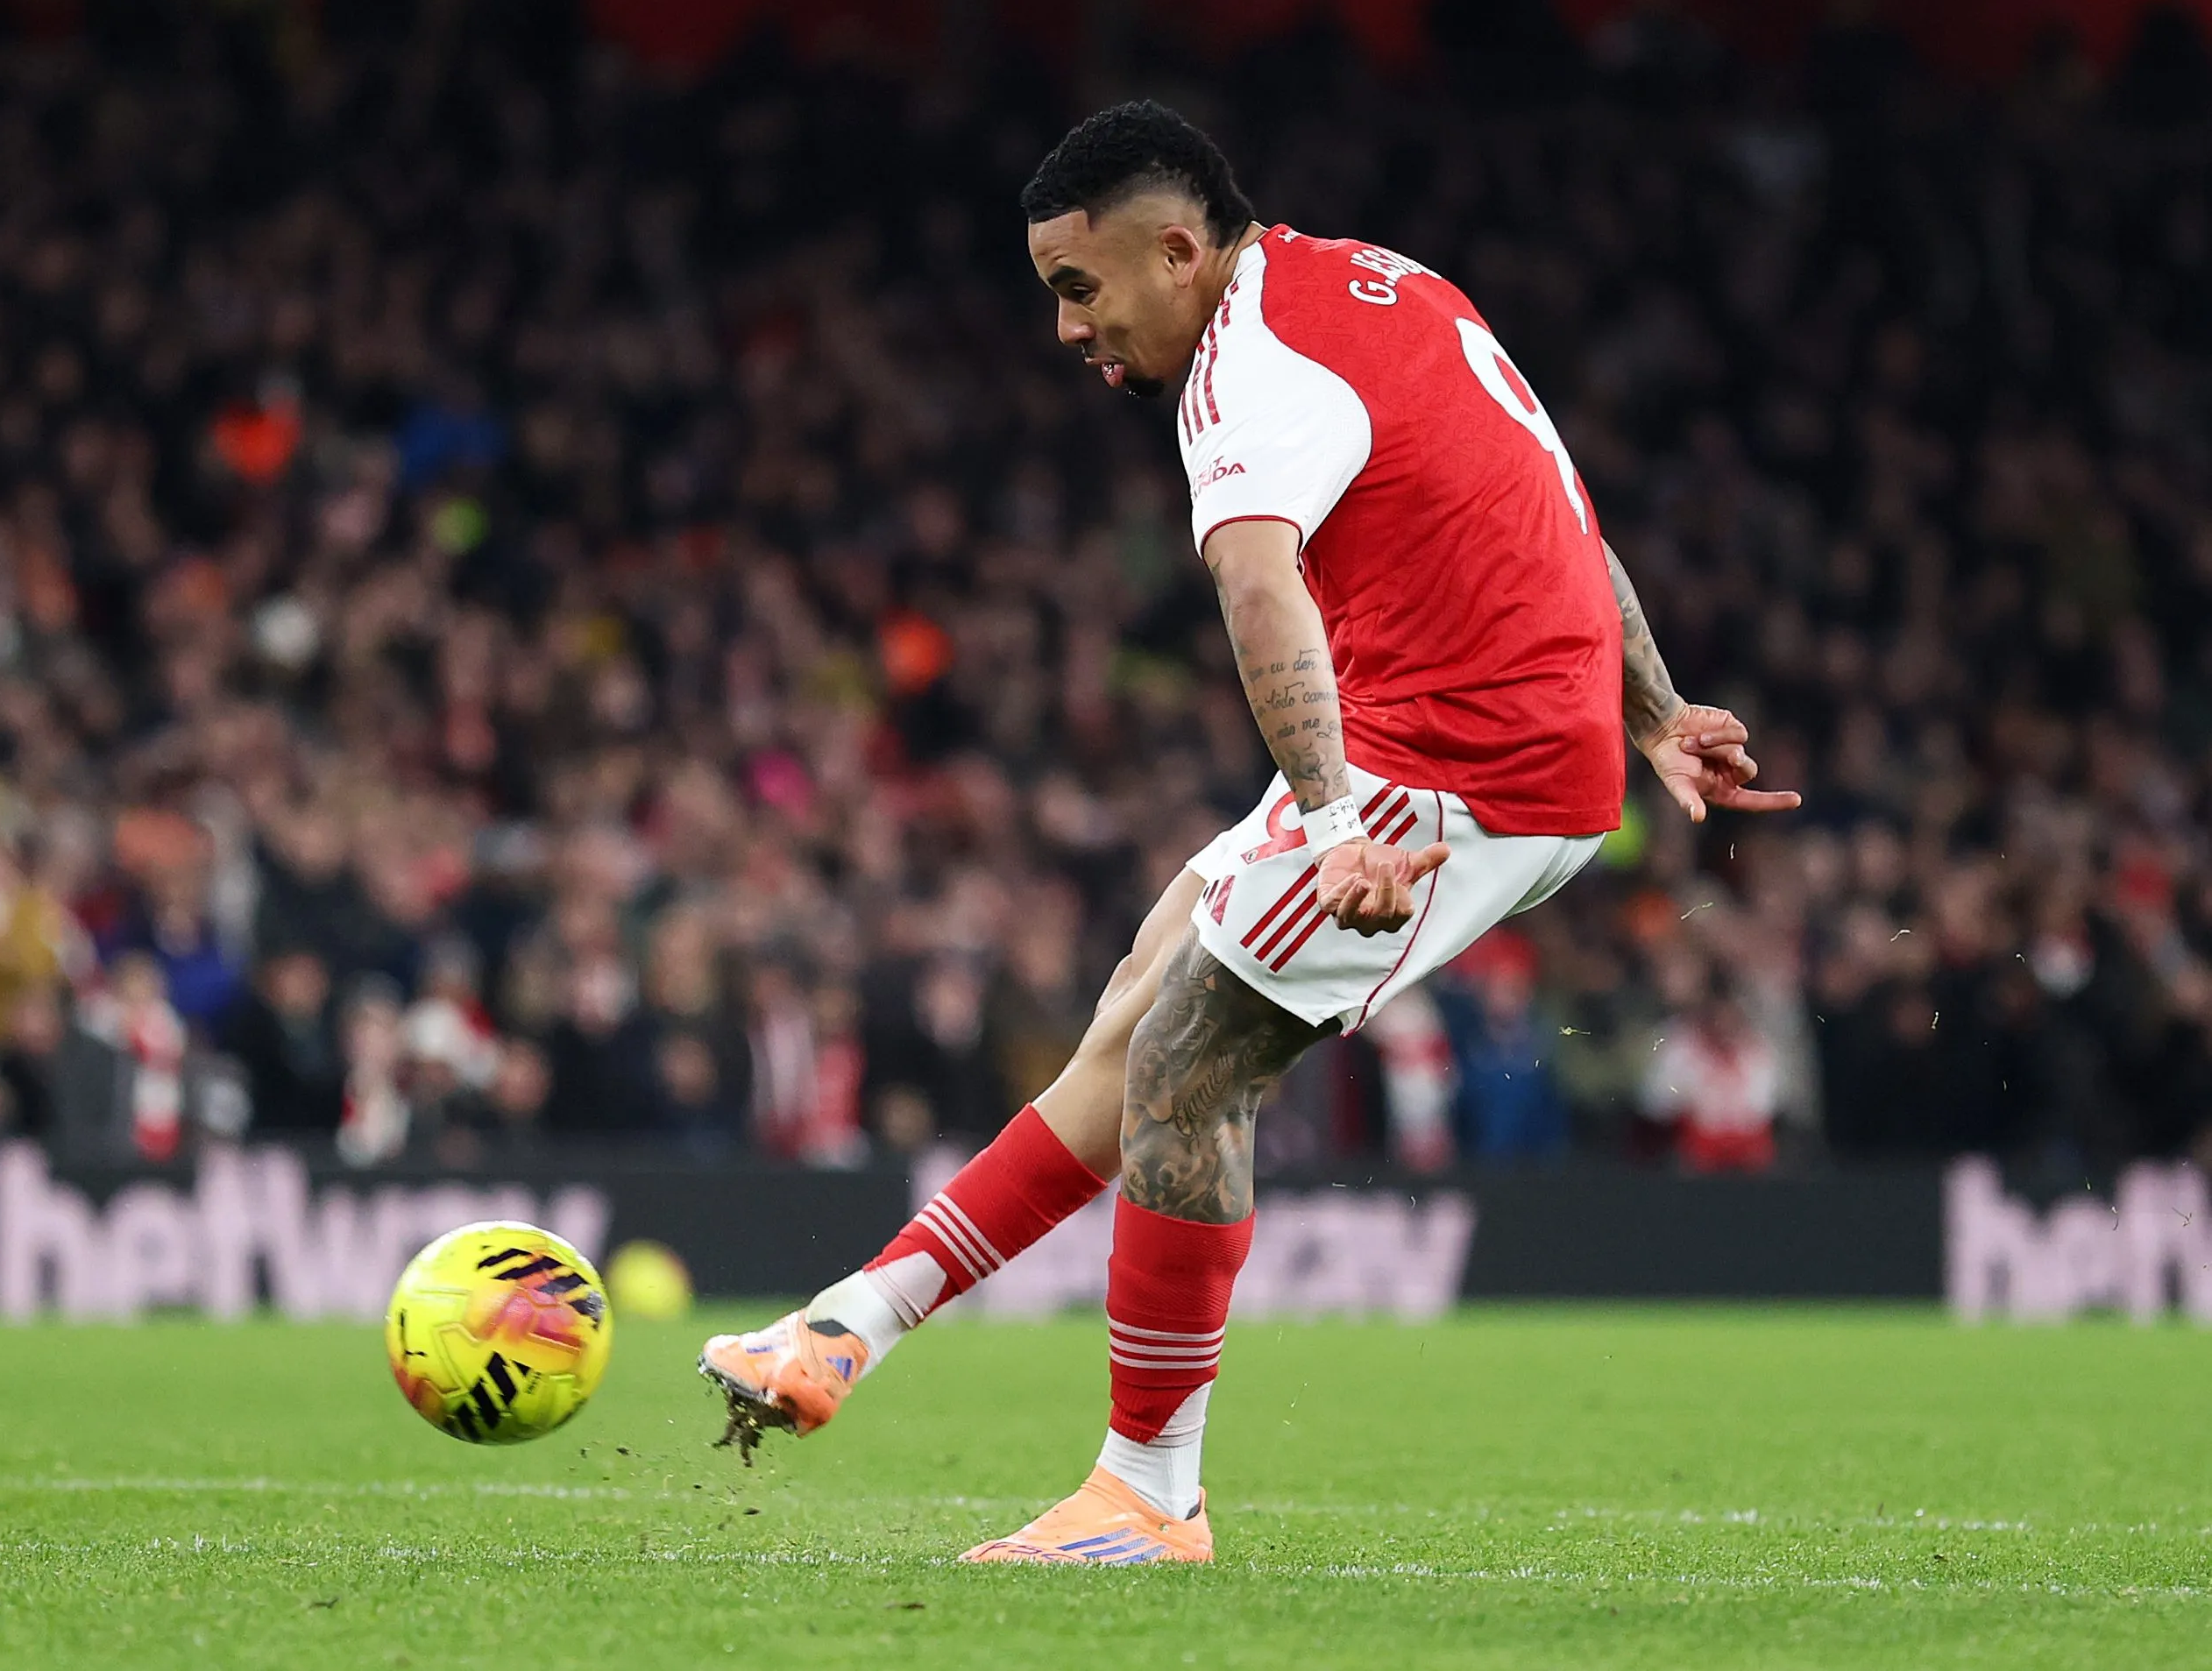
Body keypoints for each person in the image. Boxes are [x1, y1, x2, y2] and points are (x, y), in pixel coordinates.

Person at [698, 101, 1794, 1564]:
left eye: (1077, 287)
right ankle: (845, 1327)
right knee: (1141, 1002)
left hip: (1462, 765)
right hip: (1462, 726)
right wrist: (1651, 709)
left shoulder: (1247, 370)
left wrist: (1340, 823)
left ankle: (1148, 1495)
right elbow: (1551, 499)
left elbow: (1260, 591)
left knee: (1188, 1063)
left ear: (1175, 250)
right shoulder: (1380, 281)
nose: (1067, 328)